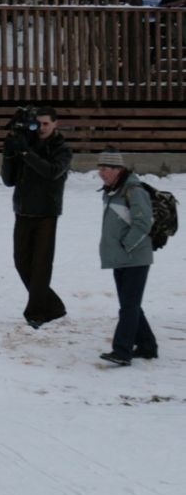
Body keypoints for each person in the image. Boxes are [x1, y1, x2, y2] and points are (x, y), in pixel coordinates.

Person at [1, 106, 72, 329]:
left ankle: (36, 312)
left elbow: (51, 172)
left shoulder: (62, 149)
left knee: (41, 264)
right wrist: (8, 153)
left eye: (45, 124)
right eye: (37, 123)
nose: (41, 128)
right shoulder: (26, 143)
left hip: (46, 212)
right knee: (21, 262)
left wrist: (25, 153)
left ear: (55, 124)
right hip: (23, 210)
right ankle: (53, 305)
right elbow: (8, 180)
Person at [96, 148, 157, 366]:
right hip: (120, 257)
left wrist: (126, 246)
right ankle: (148, 346)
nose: (101, 173)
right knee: (130, 304)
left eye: (106, 168)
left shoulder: (134, 190)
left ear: (118, 169)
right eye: (100, 168)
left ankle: (122, 351)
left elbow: (143, 223)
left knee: (128, 306)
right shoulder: (112, 190)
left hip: (135, 258)